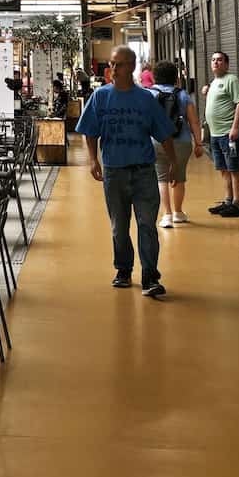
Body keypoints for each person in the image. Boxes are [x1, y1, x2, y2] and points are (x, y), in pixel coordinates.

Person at [75, 46, 178, 298]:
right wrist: (93, 160)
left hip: (143, 171)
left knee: (147, 225)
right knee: (118, 227)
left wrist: (174, 162)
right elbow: (90, 130)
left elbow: (163, 133)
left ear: (131, 67)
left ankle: (150, 276)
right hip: (114, 172)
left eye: (118, 64)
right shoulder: (101, 96)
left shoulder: (145, 99)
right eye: (111, 64)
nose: (113, 70)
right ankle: (123, 269)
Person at [146, 60, 204, 228]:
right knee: (179, 177)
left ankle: (167, 215)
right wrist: (199, 143)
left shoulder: (149, 94)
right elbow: (194, 122)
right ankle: (178, 212)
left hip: (156, 141)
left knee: (161, 177)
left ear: (155, 77)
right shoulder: (183, 95)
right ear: (175, 78)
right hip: (182, 141)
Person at [202, 50, 239, 217]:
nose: (216, 62)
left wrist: (235, 127)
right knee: (223, 168)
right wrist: (206, 92)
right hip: (215, 134)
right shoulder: (213, 82)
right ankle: (228, 201)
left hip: (229, 134)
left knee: (233, 167)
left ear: (226, 64)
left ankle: (237, 204)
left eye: (220, 60)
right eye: (213, 60)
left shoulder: (231, 80)